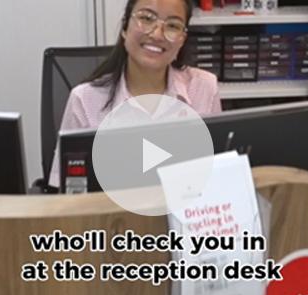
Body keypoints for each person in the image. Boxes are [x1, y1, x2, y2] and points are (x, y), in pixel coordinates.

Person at [49, 0, 222, 187]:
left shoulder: (204, 88)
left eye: (172, 25)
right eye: (146, 18)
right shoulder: (85, 100)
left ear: (182, 39)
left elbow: (216, 177)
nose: (157, 34)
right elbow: (70, 191)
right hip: (112, 213)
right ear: (125, 27)